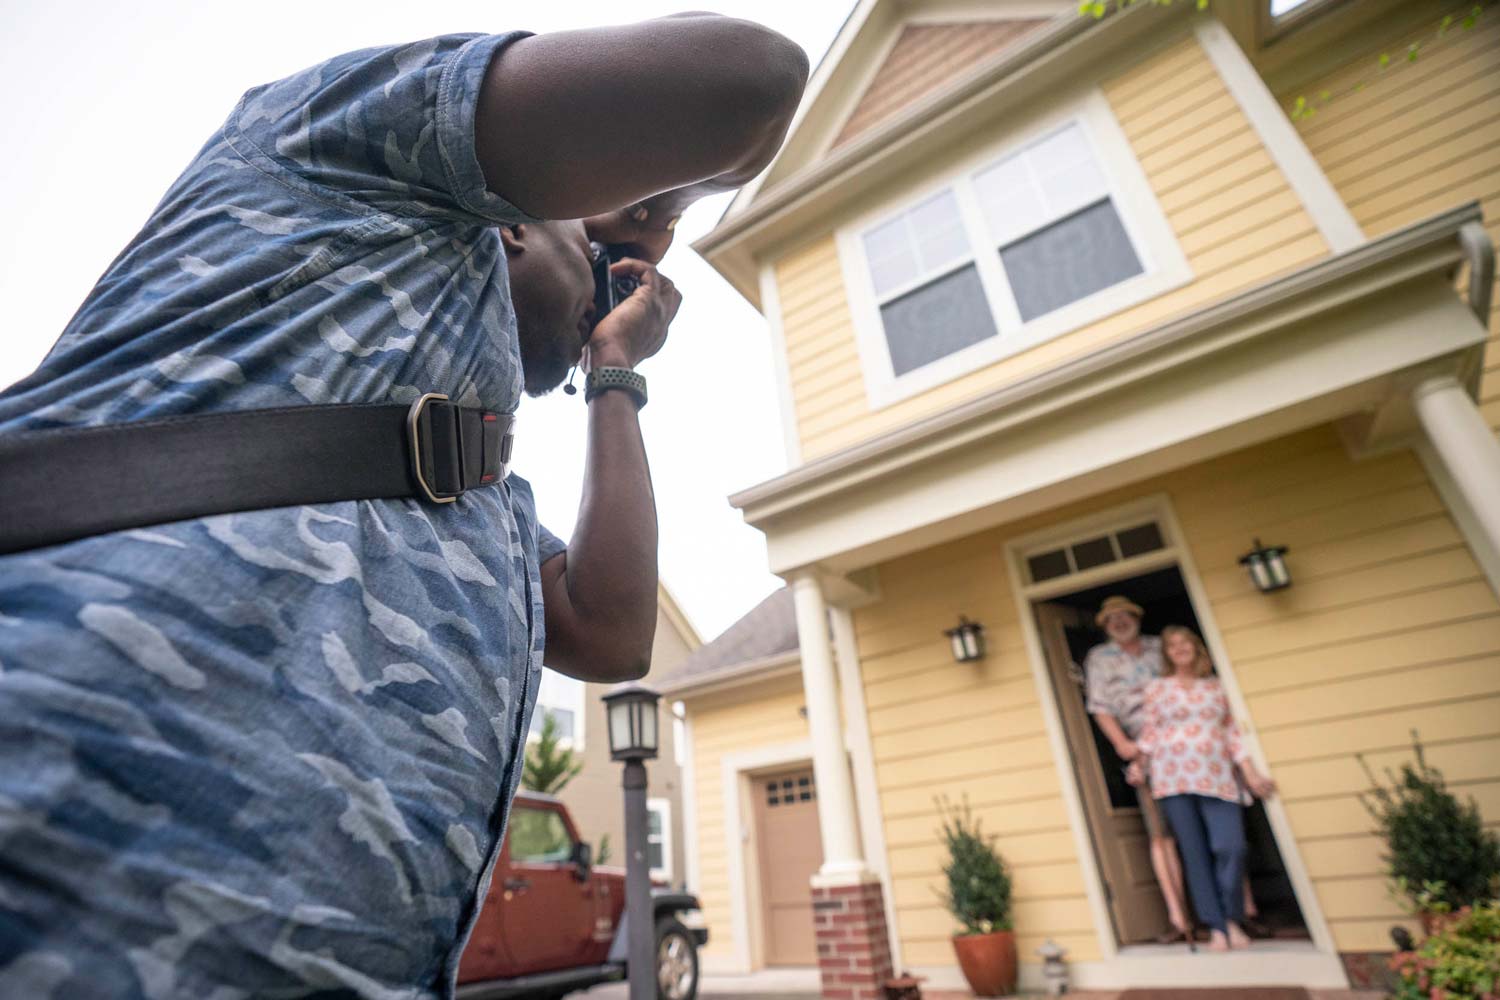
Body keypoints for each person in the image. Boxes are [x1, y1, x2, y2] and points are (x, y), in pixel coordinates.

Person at [0, 17, 807, 999]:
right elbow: (746, 80)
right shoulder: (330, 138)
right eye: (590, 258)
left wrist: (614, 373)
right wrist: (648, 213)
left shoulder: (484, 507)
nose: (605, 297)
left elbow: (612, 631)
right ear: (515, 217)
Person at [1130, 626, 1277, 952]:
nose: (1179, 649)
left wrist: (1250, 772)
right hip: (1172, 778)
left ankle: (1233, 916)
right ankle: (1218, 927)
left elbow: (1232, 734)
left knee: (1232, 847)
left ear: (1197, 648)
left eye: (1185, 643)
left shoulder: (1217, 687)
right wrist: (1139, 764)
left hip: (1217, 776)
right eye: (1172, 645)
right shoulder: (1158, 688)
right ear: (1166, 653)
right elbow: (1151, 731)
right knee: (1194, 855)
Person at [1083, 594, 1194, 944]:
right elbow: (1100, 707)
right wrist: (1122, 745)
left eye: (1123, 614)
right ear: (1104, 625)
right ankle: (1180, 919)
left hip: (1187, 744)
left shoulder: (1159, 647)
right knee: (1161, 834)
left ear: (1137, 616)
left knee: (1207, 827)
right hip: (1145, 754)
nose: (1118, 621)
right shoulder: (1099, 659)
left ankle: (1239, 911)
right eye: (1110, 617)